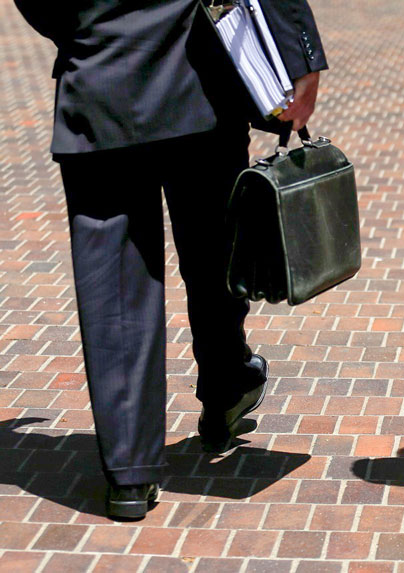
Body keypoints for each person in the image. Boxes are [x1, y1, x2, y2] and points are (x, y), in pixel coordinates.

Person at [13, 0, 328, 520]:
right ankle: (226, 385)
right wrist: (300, 55)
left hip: (100, 77)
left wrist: (87, 31)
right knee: (214, 253)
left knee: (115, 285)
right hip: (197, 78)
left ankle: (130, 472)